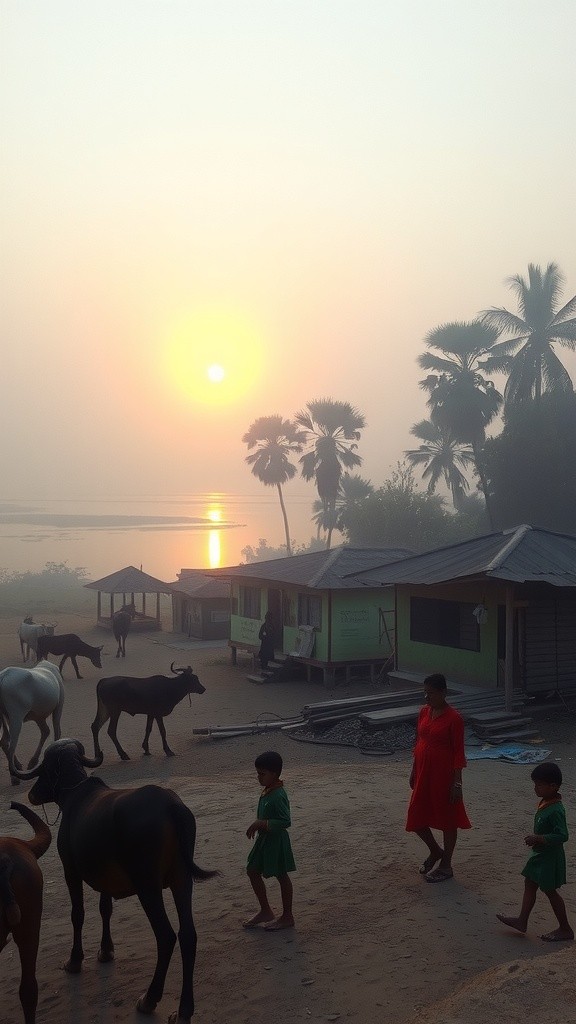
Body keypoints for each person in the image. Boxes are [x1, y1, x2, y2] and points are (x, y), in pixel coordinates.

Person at [496, 761, 574, 942]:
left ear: (553, 786)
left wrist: (539, 838)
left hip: (549, 857)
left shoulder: (555, 809)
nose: (536, 788)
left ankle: (565, 928)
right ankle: (522, 920)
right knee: (530, 883)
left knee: (550, 891)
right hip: (540, 854)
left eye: (539, 785)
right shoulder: (546, 802)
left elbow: (562, 835)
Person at [406, 672, 471, 882]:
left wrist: (457, 783)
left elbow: (458, 753)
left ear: (443, 693)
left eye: (431, 693)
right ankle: (435, 850)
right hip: (424, 771)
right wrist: (414, 770)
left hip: (444, 775)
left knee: (447, 819)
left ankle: (446, 865)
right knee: (416, 817)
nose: (427, 697)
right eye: (425, 693)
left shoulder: (454, 719)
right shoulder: (424, 712)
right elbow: (419, 743)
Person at [243, 750, 296, 931]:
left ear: (274, 774)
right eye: (258, 773)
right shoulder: (268, 790)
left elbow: (285, 821)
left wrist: (261, 823)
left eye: (262, 774)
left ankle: (287, 916)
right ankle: (265, 910)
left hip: (276, 841)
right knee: (252, 870)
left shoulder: (279, 794)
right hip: (264, 840)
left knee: (282, 875)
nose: (259, 778)